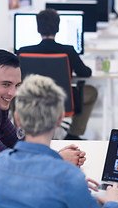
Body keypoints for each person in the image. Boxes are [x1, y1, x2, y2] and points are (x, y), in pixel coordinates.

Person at [0, 74, 118, 207]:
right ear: (60, 118)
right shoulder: (69, 178)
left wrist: (75, 190)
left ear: (17, 119)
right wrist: (112, 202)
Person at [0, 50, 85, 193]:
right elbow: (6, 166)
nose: (13, 93)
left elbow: (17, 143)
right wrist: (58, 161)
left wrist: (52, 155)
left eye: (17, 85)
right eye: (6, 84)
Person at [17, 8, 98, 140]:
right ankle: (73, 133)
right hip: (62, 101)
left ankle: (20, 134)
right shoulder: (68, 51)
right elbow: (85, 72)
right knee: (92, 92)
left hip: (31, 99)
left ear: (38, 29)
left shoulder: (23, 51)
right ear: (58, 28)